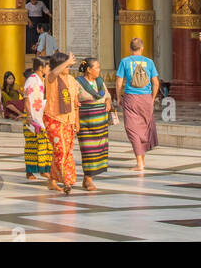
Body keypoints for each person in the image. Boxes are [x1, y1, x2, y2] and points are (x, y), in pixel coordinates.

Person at [115, 37, 159, 172]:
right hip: (146, 98)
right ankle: (142, 160)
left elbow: (118, 82)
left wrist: (118, 97)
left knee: (132, 129)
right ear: (142, 48)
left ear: (130, 49)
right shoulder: (149, 62)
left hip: (131, 98)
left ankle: (140, 163)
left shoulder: (125, 61)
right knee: (144, 128)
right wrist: (151, 98)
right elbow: (156, 83)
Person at [76, 58, 113, 191]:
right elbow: (74, 101)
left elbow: (107, 95)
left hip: (100, 123)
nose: (99, 70)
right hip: (85, 122)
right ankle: (89, 179)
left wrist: (108, 102)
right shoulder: (78, 83)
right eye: (96, 67)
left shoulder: (100, 81)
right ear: (89, 70)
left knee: (98, 151)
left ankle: (87, 178)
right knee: (88, 150)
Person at [44, 51, 79, 193]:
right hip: (53, 118)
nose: (68, 68)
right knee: (61, 150)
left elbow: (75, 102)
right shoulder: (51, 78)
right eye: (65, 65)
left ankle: (52, 180)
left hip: (68, 120)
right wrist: (67, 61)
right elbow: (53, 73)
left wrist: (77, 121)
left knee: (66, 151)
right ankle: (67, 180)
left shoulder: (71, 80)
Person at [22, 57, 53, 181]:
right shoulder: (32, 79)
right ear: (41, 68)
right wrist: (29, 115)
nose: (49, 69)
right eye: (48, 66)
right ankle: (30, 171)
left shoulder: (44, 80)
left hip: (41, 114)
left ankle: (44, 169)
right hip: (32, 116)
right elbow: (26, 98)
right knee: (32, 144)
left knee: (46, 143)